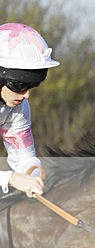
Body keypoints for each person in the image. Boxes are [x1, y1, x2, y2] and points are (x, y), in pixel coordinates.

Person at [0, 23, 60, 198]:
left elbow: (24, 158)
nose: (26, 95)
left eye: (32, 86)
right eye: (19, 86)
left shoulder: (18, 107)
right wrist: (10, 178)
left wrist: (33, 176)